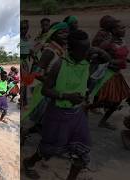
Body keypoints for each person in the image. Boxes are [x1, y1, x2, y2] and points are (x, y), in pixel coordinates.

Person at [23, 30, 91, 180]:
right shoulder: (59, 65)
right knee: (49, 148)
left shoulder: (85, 63)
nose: (87, 53)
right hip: (58, 113)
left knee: (82, 151)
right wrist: (67, 96)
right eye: (83, 50)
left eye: (88, 49)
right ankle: (28, 163)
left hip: (77, 114)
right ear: (71, 50)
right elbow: (46, 90)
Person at [23, 22, 69, 135]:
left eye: (67, 32)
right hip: (45, 88)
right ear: (53, 34)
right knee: (40, 116)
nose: (65, 35)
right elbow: (37, 73)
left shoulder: (61, 49)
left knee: (46, 118)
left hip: (53, 87)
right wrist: (50, 81)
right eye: (61, 32)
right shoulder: (50, 51)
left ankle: (29, 132)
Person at [90, 17, 130, 130]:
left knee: (115, 102)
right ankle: (86, 108)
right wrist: (111, 61)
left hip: (117, 74)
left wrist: (125, 60)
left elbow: (121, 56)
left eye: (124, 27)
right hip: (108, 74)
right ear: (113, 30)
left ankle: (97, 115)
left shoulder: (121, 41)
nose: (124, 29)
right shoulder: (107, 43)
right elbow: (94, 56)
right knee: (111, 101)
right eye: (121, 28)